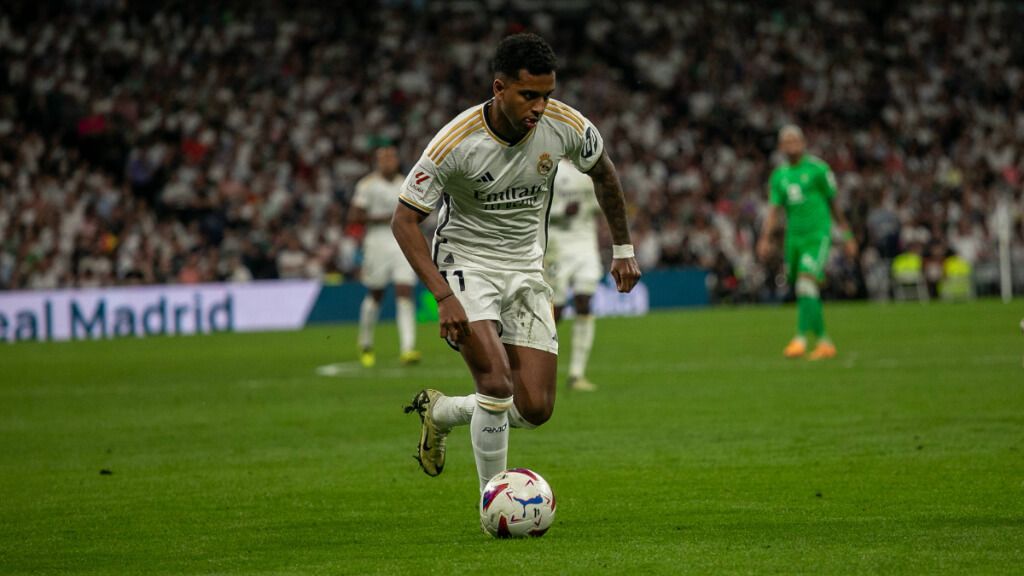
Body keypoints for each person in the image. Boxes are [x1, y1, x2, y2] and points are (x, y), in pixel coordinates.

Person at [391, 33, 641, 493]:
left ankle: (441, 412)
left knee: (535, 408)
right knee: (496, 383)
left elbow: (604, 173)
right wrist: (444, 296)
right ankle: (493, 503)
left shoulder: (566, 125)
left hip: (526, 268)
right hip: (466, 263)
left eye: (546, 94)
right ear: (498, 87)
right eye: (529, 95)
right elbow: (404, 221)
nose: (540, 106)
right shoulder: (455, 142)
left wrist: (623, 249)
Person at [757, 125, 857, 360]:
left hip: (818, 234)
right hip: (794, 237)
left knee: (806, 282)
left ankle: (802, 339)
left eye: (795, 140)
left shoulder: (818, 169)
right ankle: (823, 341)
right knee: (804, 288)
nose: (792, 145)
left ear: (803, 143)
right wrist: (765, 238)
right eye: (787, 141)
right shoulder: (779, 176)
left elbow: (834, 204)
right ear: (781, 147)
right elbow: (774, 211)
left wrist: (847, 235)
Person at [349, 144, 421, 367]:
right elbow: (355, 216)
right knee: (376, 294)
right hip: (377, 242)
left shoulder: (406, 182)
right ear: (377, 161)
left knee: (405, 292)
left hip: (402, 241)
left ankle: (408, 348)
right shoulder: (367, 185)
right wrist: (389, 218)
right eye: (384, 157)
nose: (389, 161)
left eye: (392, 156)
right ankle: (366, 343)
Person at [546, 158, 603, 392]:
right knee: (555, 310)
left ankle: (577, 374)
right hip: (557, 246)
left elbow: (600, 203)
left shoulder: (592, 167)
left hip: (586, 245)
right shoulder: (550, 167)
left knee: (584, 301)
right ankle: (537, 364)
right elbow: (537, 207)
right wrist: (561, 210)